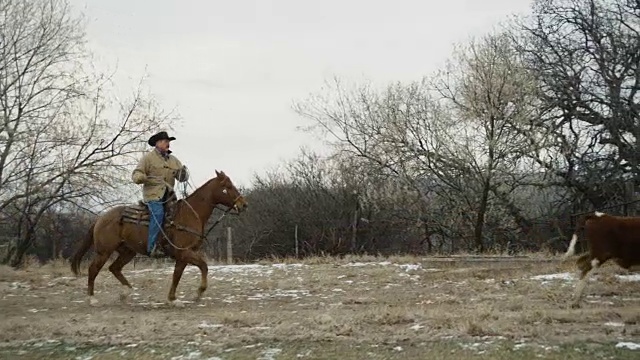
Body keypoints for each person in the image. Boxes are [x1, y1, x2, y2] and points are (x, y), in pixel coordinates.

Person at [131, 131, 189, 258]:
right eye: (164, 141)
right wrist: (142, 177)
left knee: (181, 215)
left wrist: (183, 174)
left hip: (169, 196)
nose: (167, 143)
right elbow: (136, 175)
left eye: (168, 141)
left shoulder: (173, 160)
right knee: (158, 214)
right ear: (157, 143)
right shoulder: (148, 158)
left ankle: (176, 244)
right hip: (153, 196)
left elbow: (181, 177)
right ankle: (152, 247)